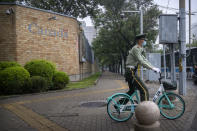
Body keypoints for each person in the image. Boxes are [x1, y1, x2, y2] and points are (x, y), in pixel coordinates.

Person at [124, 34, 160, 102]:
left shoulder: (140, 49)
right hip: (130, 72)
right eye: (143, 39)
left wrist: (153, 67)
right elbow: (140, 61)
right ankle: (145, 108)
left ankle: (119, 104)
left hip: (131, 71)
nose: (144, 41)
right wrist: (152, 68)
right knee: (144, 90)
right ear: (139, 41)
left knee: (132, 91)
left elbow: (144, 60)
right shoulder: (136, 49)